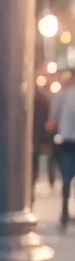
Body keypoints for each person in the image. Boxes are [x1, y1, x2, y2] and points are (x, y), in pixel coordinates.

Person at [47, 73, 75, 231]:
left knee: (66, 178)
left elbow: (51, 121)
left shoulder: (61, 96)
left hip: (65, 141)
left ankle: (64, 213)